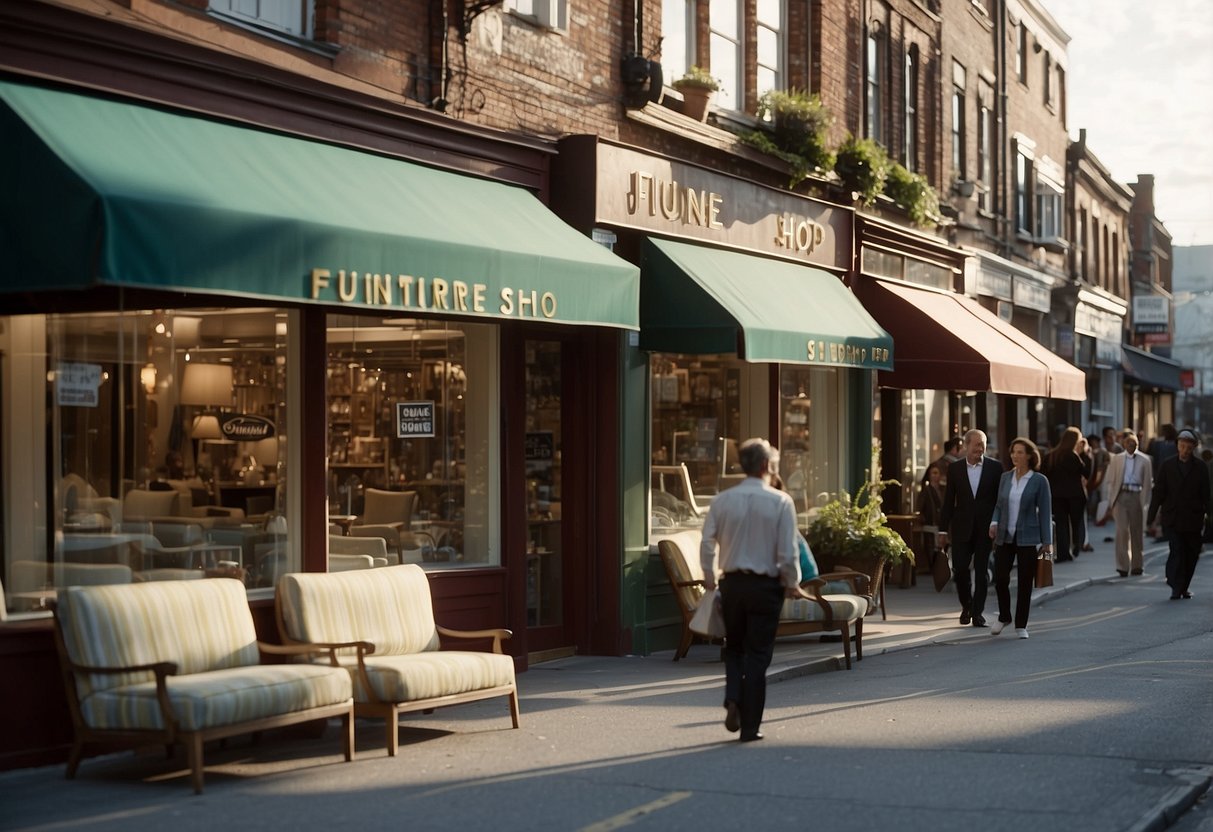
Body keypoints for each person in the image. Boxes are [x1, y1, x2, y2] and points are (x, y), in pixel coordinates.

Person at [700, 438, 800, 742]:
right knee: (758, 655)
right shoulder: (781, 501)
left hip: (732, 583)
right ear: (766, 465)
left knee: (734, 647)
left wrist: (709, 576)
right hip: (765, 586)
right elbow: (787, 552)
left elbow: (707, 542)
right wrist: (792, 582)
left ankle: (733, 696)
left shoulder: (722, 500)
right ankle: (750, 726)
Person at [988, 437, 1053, 639]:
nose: (1015, 456)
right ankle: (1004, 616)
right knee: (1000, 578)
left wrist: (1047, 542)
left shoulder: (1039, 481)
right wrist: (993, 522)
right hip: (1005, 535)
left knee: (1025, 582)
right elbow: (999, 505)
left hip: (1028, 538)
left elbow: (1045, 512)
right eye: (1013, 452)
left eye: (1020, 452)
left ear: (1029, 456)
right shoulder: (1005, 477)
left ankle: (1021, 624)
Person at [937, 429, 1003, 627]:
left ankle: (977, 613)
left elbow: (1000, 501)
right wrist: (942, 530)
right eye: (976, 444)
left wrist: (997, 523)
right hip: (961, 528)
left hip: (986, 529)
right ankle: (967, 606)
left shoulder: (995, 468)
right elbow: (949, 501)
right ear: (966, 446)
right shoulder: (955, 469)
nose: (980, 448)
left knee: (982, 572)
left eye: (983, 444)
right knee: (960, 570)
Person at [1147, 429, 1211, 600]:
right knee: (1176, 551)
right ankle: (1175, 585)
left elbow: (1206, 495)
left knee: (1191, 553)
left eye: (1188, 448)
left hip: (1193, 518)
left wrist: (1209, 517)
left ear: (1193, 448)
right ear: (1177, 446)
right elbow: (1159, 493)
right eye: (1182, 446)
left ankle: (1184, 587)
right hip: (1173, 517)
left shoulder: (1200, 467)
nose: (1185, 450)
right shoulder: (1167, 465)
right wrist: (1151, 517)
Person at [1101, 430, 1153, 577]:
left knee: (1136, 531)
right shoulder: (1117, 459)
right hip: (1121, 496)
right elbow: (1110, 481)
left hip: (1136, 495)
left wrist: (1145, 502)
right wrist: (1110, 501)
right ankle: (1122, 566)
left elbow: (1148, 483)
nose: (1131, 445)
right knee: (1122, 530)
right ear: (1124, 444)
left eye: (1134, 443)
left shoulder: (1145, 460)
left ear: (1138, 444)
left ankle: (1137, 565)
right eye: (1129, 443)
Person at [1042, 426, 1091, 562]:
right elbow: (1086, 473)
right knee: (1075, 523)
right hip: (1075, 496)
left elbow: (1043, 474)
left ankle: (1063, 552)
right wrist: (1086, 455)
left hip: (1056, 495)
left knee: (1061, 524)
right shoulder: (1073, 456)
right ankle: (1076, 546)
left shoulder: (1051, 456)